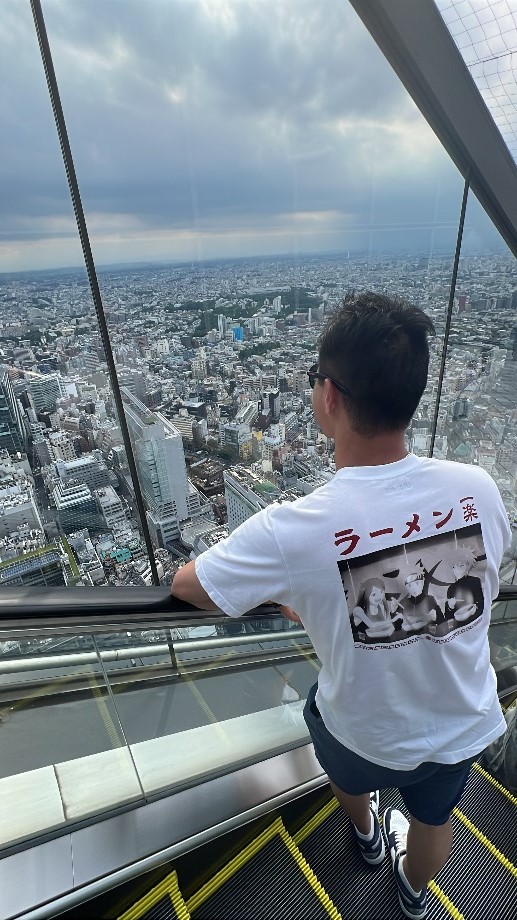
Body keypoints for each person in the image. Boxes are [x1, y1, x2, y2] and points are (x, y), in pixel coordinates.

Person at [172, 291, 511, 920]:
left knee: (332, 738)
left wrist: (293, 591)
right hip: (463, 721)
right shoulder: (478, 490)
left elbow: (188, 584)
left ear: (329, 395)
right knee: (438, 817)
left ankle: (363, 836)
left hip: (364, 735)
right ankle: (413, 895)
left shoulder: (298, 529)